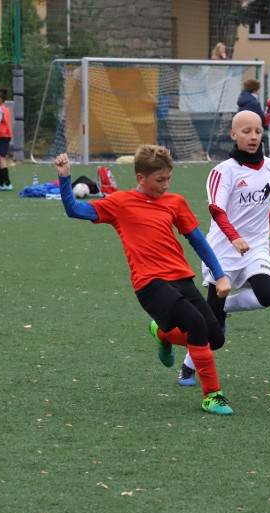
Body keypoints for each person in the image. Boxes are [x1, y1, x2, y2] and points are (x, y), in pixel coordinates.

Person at [52, 145, 236, 415]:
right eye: (159, 180)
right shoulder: (120, 203)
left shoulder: (175, 203)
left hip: (181, 277)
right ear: (141, 178)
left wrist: (219, 275)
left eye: (168, 179)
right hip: (150, 284)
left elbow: (198, 240)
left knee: (214, 338)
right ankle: (212, 396)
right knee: (195, 323)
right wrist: (65, 177)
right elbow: (74, 210)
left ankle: (161, 333)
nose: (165, 185)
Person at [175, 110, 270, 387]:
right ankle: (188, 366)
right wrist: (234, 236)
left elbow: (265, 205)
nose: (253, 137)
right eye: (246, 131)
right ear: (233, 135)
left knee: (266, 295)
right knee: (213, 330)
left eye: (258, 131)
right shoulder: (223, 171)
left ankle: (222, 307)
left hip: (256, 247)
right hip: (224, 249)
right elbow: (216, 209)